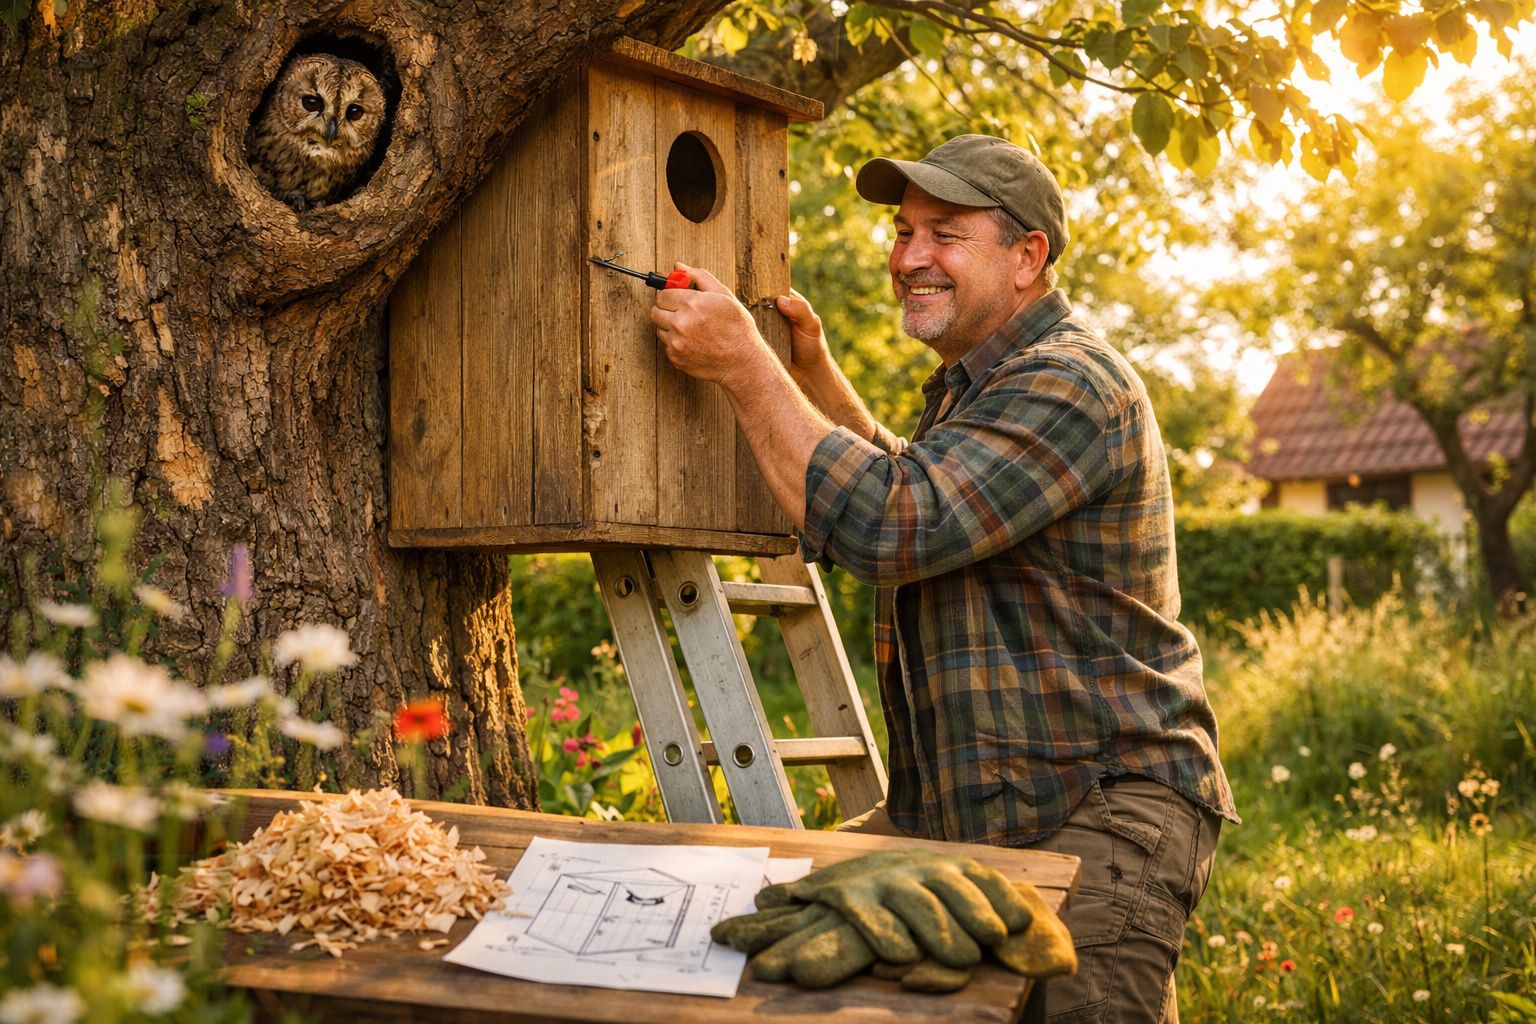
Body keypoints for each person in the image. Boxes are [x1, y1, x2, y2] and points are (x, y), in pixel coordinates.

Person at [651, 133, 1238, 1023]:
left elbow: (899, 522)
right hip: (976, 813)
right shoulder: (982, 385)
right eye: (903, 232)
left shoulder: (1070, 381)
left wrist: (746, 365)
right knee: (771, 912)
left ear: (1026, 257)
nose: (908, 258)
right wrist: (810, 376)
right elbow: (928, 488)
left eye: (945, 235)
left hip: (1095, 810)